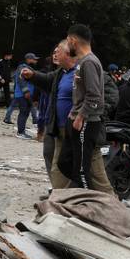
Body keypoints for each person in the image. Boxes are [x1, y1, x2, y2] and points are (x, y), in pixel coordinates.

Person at [58, 24, 109, 191]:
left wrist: (81, 116)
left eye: (67, 41)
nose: (67, 45)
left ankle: (86, 201)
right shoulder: (82, 62)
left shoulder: (89, 62)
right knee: (65, 162)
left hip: (86, 122)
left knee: (81, 169)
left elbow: (94, 96)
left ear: (73, 40)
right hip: (74, 119)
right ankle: (83, 194)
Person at [23, 40, 79, 188]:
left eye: (58, 52)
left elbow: (103, 95)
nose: (55, 55)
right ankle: (57, 189)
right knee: (49, 154)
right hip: (53, 121)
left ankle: (70, 190)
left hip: (72, 125)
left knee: (67, 159)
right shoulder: (59, 72)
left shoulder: (84, 71)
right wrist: (32, 75)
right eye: (54, 52)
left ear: (69, 54)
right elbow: (45, 80)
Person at [12, 53, 39, 139]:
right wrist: (25, 91)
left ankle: (22, 130)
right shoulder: (23, 67)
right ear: (28, 59)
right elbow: (21, 80)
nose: (35, 61)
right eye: (34, 59)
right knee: (23, 113)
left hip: (26, 94)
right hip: (22, 94)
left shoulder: (26, 67)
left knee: (26, 113)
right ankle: (20, 132)